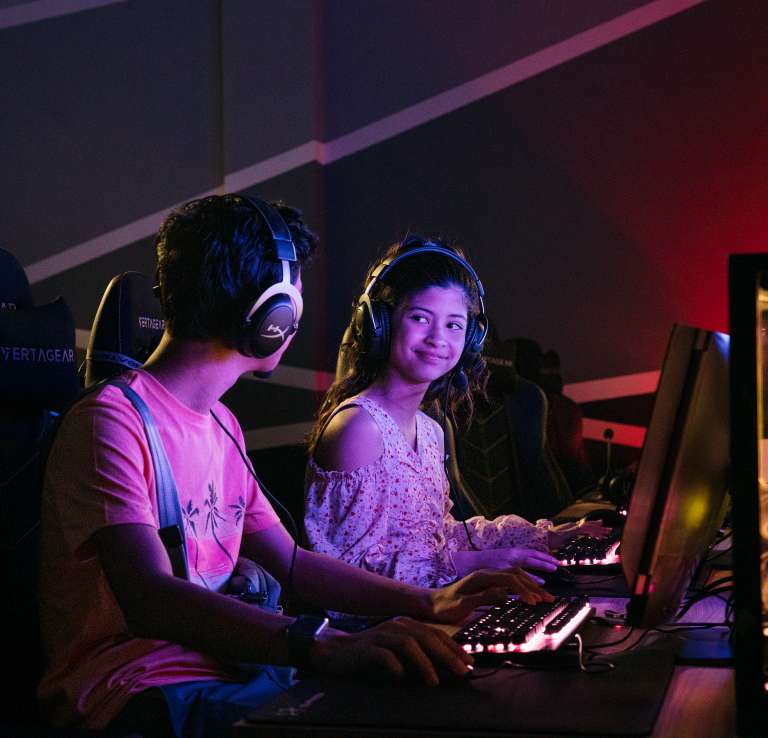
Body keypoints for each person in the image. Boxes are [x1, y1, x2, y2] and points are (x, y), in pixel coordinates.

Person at [37, 196, 549, 738]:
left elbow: (294, 564)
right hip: (139, 692)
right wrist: (324, 644)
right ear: (270, 311)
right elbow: (150, 598)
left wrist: (434, 601)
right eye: (294, 292)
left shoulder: (221, 425)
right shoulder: (111, 421)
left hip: (236, 672)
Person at [304, 236, 608, 588]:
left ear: (471, 340)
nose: (438, 338)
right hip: (378, 633)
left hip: (431, 611)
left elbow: (439, 541)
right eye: (420, 318)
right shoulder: (359, 427)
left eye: (454, 325)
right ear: (380, 324)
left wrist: (540, 538)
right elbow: (350, 576)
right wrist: (477, 564)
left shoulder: (428, 429)